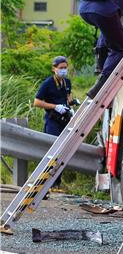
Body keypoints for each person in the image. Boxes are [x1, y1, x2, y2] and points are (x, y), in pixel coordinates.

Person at [33, 56, 74, 187]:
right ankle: (45, 182)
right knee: (52, 151)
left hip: (64, 120)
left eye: (65, 68)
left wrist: (71, 105)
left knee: (62, 152)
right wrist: (55, 106)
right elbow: (37, 102)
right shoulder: (48, 83)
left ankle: (57, 182)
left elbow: (68, 97)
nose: (63, 70)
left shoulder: (67, 82)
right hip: (52, 121)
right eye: (61, 68)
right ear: (54, 69)